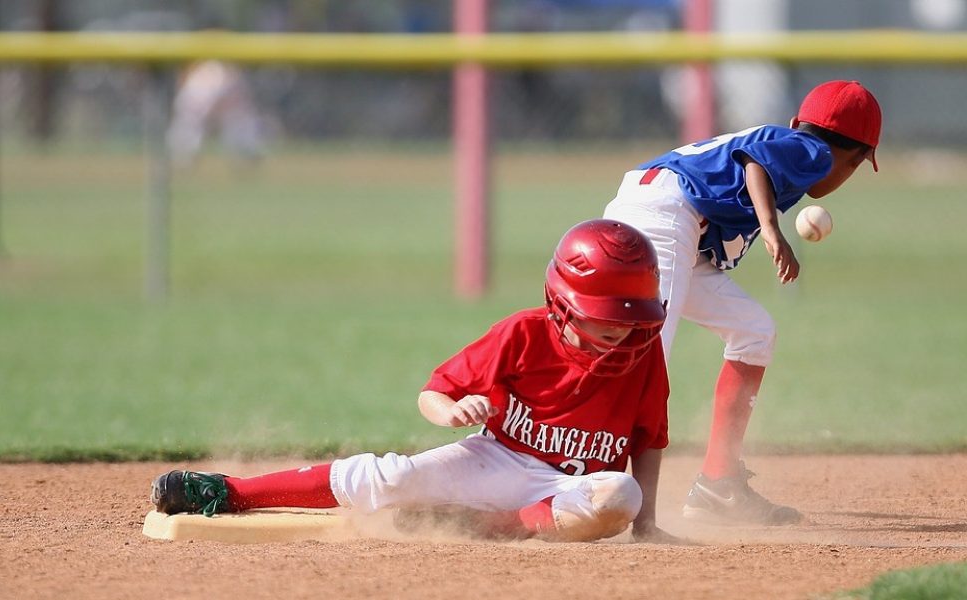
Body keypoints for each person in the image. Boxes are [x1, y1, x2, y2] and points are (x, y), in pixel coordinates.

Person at [151, 219, 677, 542]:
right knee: (389, 477)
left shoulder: (645, 354)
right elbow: (434, 393)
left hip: (571, 488)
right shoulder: (523, 333)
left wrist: (647, 521)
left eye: (632, 317)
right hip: (498, 459)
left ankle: (491, 528)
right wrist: (451, 412)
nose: (621, 329)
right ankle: (229, 491)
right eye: (604, 317)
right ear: (561, 304)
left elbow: (647, 440)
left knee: (619, 495)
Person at [602, 80, 882, 525]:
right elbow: (756, 165)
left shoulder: (788, 140)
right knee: (648, 362)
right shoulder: (815, 152)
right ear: (856, 156)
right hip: (664, 216)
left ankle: (718, 485)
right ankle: (586, 480)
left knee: (753, 331)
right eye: (856, 165)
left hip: (666, 216)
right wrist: (772, 230)